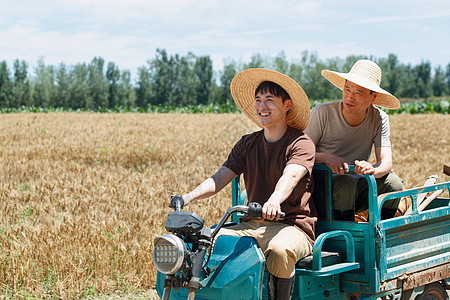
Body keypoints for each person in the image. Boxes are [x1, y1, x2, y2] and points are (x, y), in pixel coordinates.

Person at [178, 68, 317, 300]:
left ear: (287, 105)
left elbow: (291, 176)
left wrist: (274, 201)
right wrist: (187, 197)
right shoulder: (247, 144)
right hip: (251, 224)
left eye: (270, 100)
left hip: (292, 226)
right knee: (206, 242)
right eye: (258, 100)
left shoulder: (301, 143)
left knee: (280, 251)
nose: (262, 106)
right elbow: (220, 177)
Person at [304, 59, 403, 221]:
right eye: (347, 89)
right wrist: (326, 157)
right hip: (322, 187)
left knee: (394, 184)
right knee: (346, 184)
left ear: (373, 97)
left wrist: (371, 169)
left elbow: (386, 163)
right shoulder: (322, 113)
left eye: (358, 93)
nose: (350, 97)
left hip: (357, 184)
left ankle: (379, 233)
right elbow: (299, 153)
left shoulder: (379, 118)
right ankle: (343, 234)